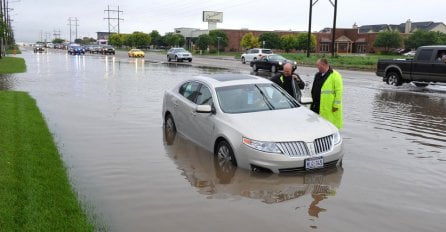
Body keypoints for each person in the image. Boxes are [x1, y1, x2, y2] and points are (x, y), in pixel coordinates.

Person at [310, 58, 343, 129]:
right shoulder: (317, 75)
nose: (317, 67)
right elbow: (314, 89)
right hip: (316, 105)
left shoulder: (335, 75)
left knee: (329, 126)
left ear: (324, 65)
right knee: (316, 126)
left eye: (318, 66)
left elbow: (339, 91)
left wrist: (336, 105)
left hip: (329, 106)